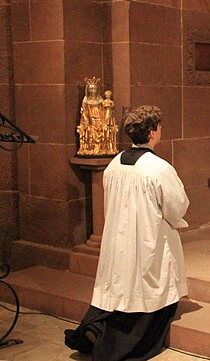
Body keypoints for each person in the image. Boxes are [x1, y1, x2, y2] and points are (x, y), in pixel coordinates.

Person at [65, 105, 190, 360]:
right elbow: (177, 206)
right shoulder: (159, 169)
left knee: (121, 289)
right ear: (154, 131)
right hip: (148, 242)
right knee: (147, 295)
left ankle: (95, 327)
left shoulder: (114, 165)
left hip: (120, 241)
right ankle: (112, 344)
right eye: (159, 127)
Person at [77, 78, 119, 156]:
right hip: (90, 119)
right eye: (91, 89)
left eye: (94, 89)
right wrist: (86, 119)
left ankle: (103, 148)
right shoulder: (86, 99)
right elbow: (83, 111)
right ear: (88, 89)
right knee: (91, 129)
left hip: (100, 117)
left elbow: (104, 109)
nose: (92, 90)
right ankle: (91, 148)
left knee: (104, 128)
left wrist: (107, 116)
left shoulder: (100, 99)